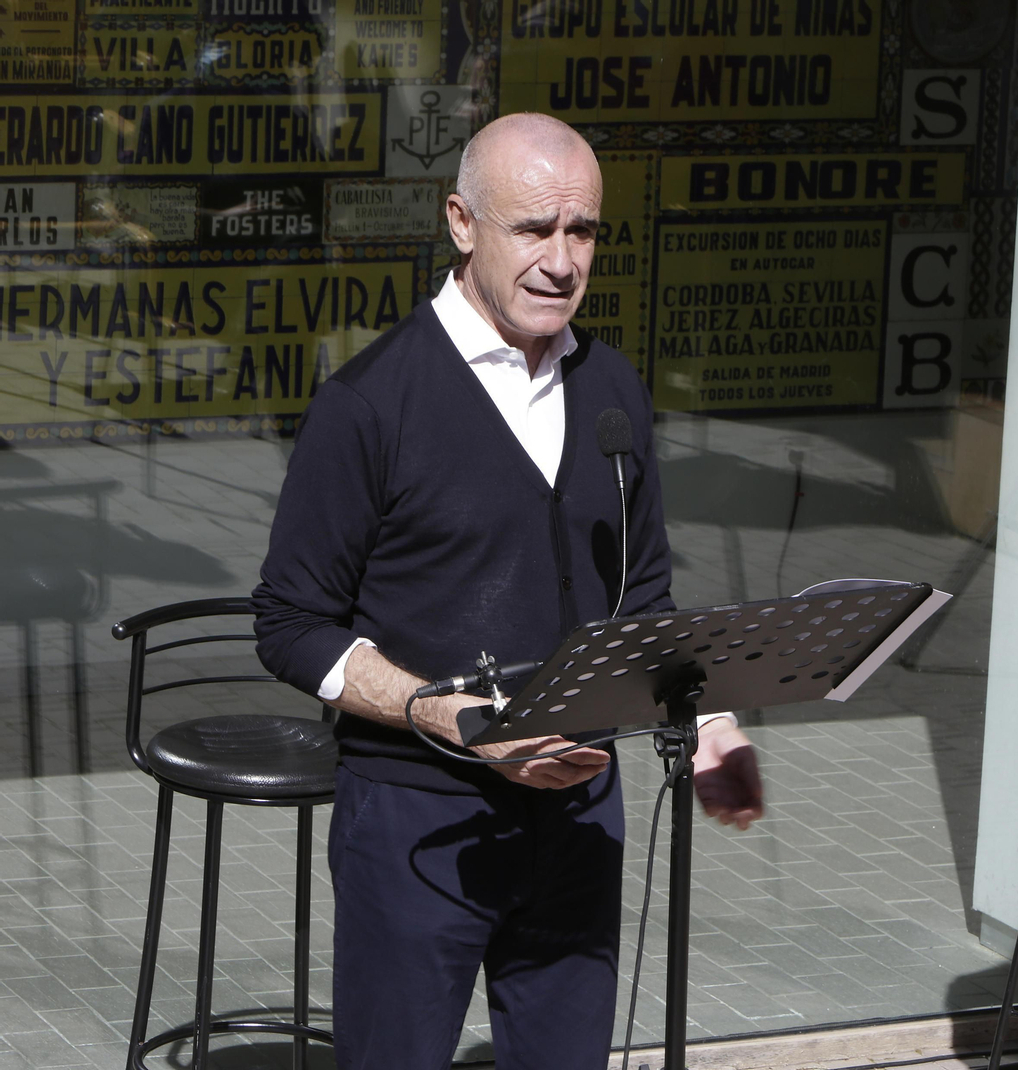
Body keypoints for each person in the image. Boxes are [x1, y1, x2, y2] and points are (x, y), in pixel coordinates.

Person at [253, 113, 764, 1070]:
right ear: (462, 222)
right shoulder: (370, 403)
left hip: (576, 812)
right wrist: (443, 716)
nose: (563, 261)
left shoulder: (611, 387)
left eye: (585, 232)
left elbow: (641, 595)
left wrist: (710, 722)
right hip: (418, 820)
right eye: (534, 230)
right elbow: (288, 626)